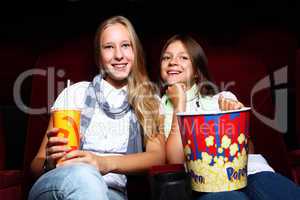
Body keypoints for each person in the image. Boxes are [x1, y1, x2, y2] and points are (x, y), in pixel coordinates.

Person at [28, 16, 165, 200]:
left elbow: (157, 157)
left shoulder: (149, 101)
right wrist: (49, 163)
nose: (118, 55)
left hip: (110, 193)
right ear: (99, 56)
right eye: (109, 47)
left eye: (125, 45)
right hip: (58, 183)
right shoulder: (75, 93)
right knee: (85, 176)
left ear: (135, 51)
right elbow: (35, 167)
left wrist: (103, 163)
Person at [159, 34, 300, 200]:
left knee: (276, 190)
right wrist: (179, 105)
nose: (173, 61)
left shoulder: (221, 100)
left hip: (250, 172)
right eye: (166, 57)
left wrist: (235, 119)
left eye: (183, 57)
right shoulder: (157, 107)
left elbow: (249, 150)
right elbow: (175, 160)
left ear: (197, 72)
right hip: (202, 183)